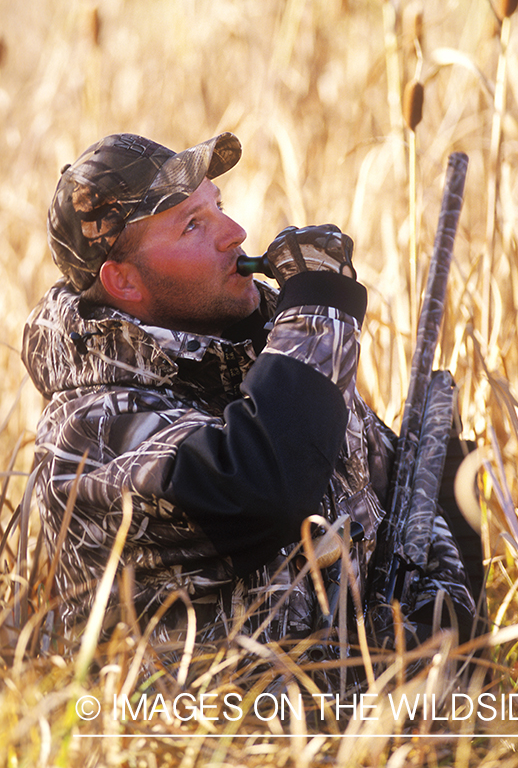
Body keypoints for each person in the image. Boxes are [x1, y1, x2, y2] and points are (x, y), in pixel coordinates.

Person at [22, 131, 477, 661]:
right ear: (123, 282)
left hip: (374, 736)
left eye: (219, 207)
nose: (235, 233)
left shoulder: (260, 370)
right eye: (193, 225)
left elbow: (410, 517)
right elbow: (261, 487)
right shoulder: (88, 431)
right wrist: (316, 316)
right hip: (212, 740)